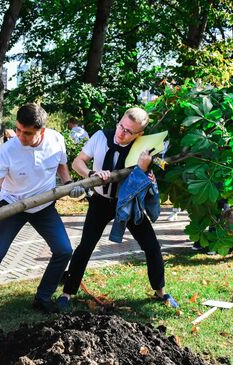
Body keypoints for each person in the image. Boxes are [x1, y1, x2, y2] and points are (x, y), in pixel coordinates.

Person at [0, 103, 83, 326]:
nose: (21, 136)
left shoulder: (56, 140)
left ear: (42, 131)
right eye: (19, 130)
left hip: (43, 207)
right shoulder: (8, 150)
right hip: (12, 206)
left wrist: (70, 184)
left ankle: (42, 298)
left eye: (28, 133)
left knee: (63, 250)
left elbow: (62, 167)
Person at [59, 107, 179, 311]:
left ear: (139, 134)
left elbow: (154, 174)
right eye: (121, 126)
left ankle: (160, 291)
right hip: (100, 200)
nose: (121, 133)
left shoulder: (145, 148)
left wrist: (144, 168)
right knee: (86, 246)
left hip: (128, 203)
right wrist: (92, 173)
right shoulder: (100, 136)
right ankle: (67, 293)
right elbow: (77, 162)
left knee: (151, 246)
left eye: (128, 131)